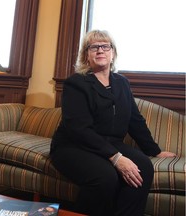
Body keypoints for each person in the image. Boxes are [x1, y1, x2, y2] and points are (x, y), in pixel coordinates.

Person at [49, 30, 176, 216]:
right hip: (73, 146)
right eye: (94, 47)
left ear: (112, 53)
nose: (100, 50)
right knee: (105, 177)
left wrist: (154, 150)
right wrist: (116, 157)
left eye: (105, 46)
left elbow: (135, 120)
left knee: (144, 167)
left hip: (110, 144)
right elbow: (79, 129)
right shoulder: (76, 83)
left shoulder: (122, 83)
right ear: (86, 55)